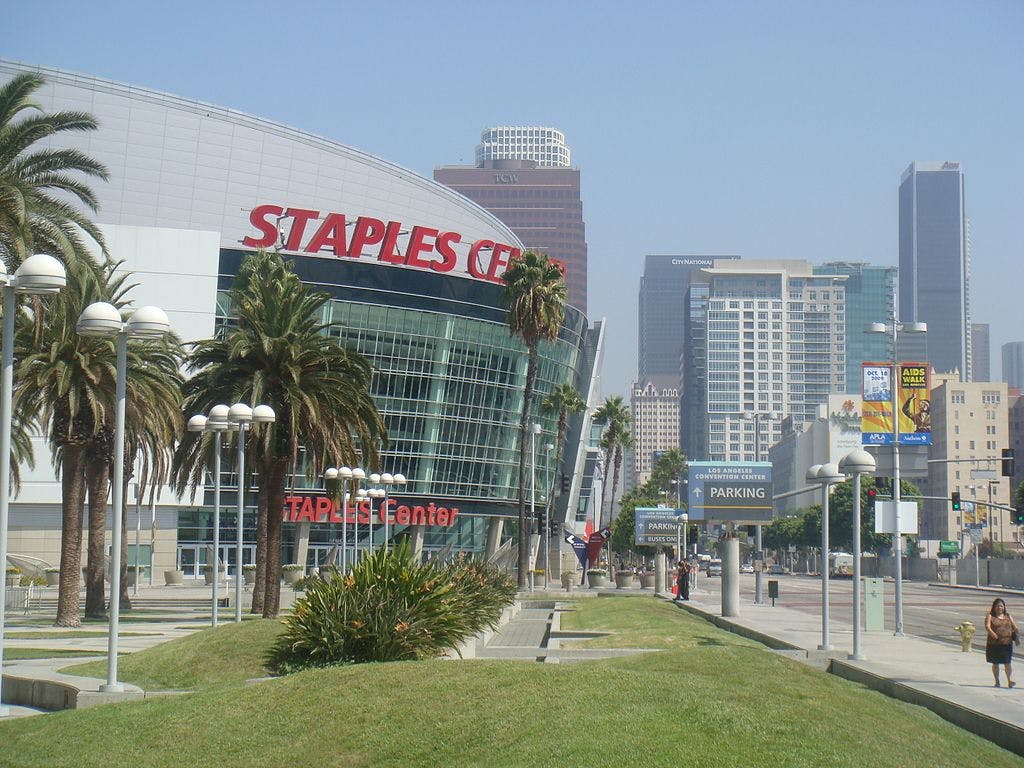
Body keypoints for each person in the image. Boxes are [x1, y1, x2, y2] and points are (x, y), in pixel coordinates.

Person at [985, 597, 1020, 687]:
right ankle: (997, 681)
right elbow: (987, 627)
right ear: (994, 607)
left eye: (1001, 606)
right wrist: (993, 635)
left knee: (1007, 663)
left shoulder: (1008, 616)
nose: (1000, 608)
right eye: (998, 606)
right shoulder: (990, 616)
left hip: (1007, 643)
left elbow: (1015, 628)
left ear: (1004, 607)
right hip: (994, 644)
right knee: (995, 663)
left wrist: (1017, 638)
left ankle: (1009, 681)